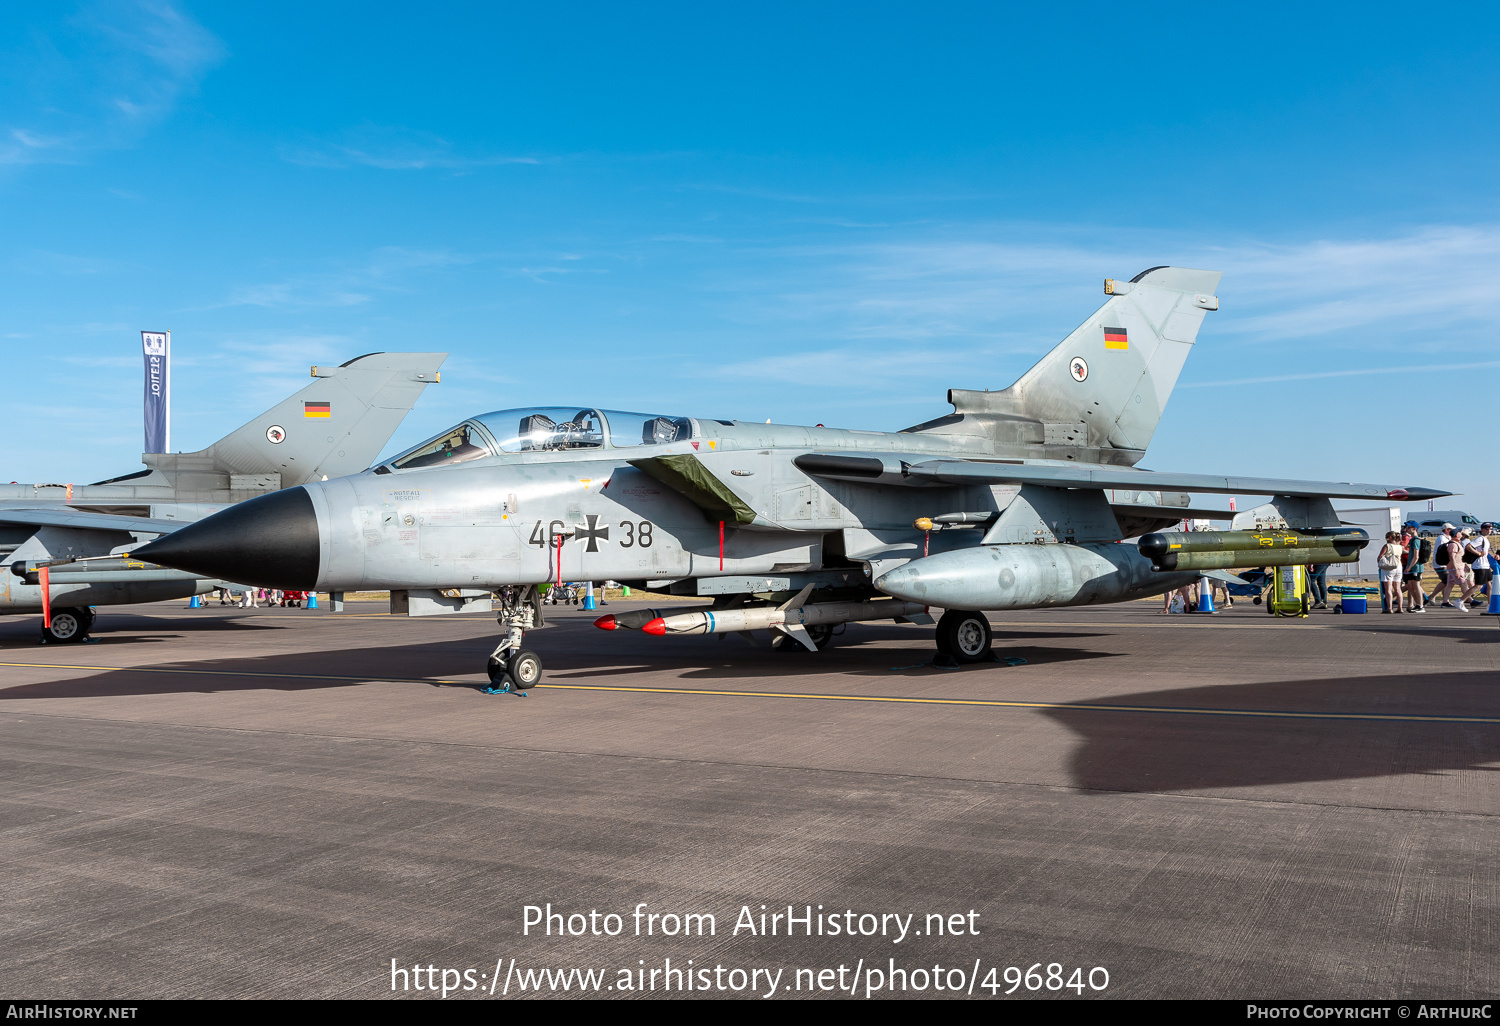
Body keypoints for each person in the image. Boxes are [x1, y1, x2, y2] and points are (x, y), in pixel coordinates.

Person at [1461, 525, 1492, 609]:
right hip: (1479, 565)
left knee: (1490, 584)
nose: (1489, 530)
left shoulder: (1486, 540)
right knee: (1479, 585)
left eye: (1490, 529)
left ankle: (1490, 604)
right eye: (1487, 529)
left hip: (1485, 565)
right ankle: (1461, 601)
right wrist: (1477, 553)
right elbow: (1468, 546)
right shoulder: (1480, 539)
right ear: (1482, 529)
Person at [1427, 524, 1456, 607]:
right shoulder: (1441, 539)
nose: (1452, 531)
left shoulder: (1447, 538)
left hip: (1445, 563)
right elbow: (1442, 551)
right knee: (1446, 581)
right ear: (1446, 530)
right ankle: (1432, 596)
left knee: (1447, 582)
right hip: (1440, 564)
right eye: (1450, 529)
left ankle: (1445, 600)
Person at [1377, 531, 1404, 613]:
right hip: (1398, 567)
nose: (1386, 538)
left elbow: (1380, 556)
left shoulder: (1387, 546)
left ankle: (1389, 608)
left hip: (1389, 567)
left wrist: (1379, 561)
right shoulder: (1400, 546)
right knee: (1398, 588)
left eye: (1387, 537)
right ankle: (1400, 607)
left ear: (1391, 537)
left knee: (1388, 589)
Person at [1400, 522, 1425, 612]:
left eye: (1409, 527)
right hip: (1411, 567)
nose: (1406, 529)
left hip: (1416, 567)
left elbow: (1416, 556)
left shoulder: (1416, 540)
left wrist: (1409, 567)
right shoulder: (1411, 540)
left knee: (1416, 585)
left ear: (1414, 529)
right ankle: (1417, 603)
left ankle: (1420, 605)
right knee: (1410, 586)